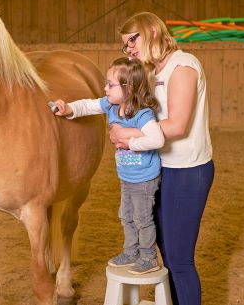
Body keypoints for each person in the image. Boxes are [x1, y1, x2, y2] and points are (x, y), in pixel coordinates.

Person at [113, 12, 214, 305]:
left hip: (187, 170)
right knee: (166, 255)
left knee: (180, 260)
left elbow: (178, 125)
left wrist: (128, 135)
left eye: (133, 39)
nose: (129, 47)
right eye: (125, 44)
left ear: (154, 31)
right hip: (161, 168)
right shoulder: (153, 72)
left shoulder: (183, 66)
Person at [52, 56, 164, 274]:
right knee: (126, 215)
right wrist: (69, 109)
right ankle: (131, 252)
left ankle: (149, 257)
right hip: (127, 177)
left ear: (128, 87)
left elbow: (157, 139)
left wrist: (130, 142)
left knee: (142, 218)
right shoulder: (112, 106)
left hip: (144, 179)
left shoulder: (143, 114)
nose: (105, 88)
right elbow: (89, 105)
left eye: (110, 85)